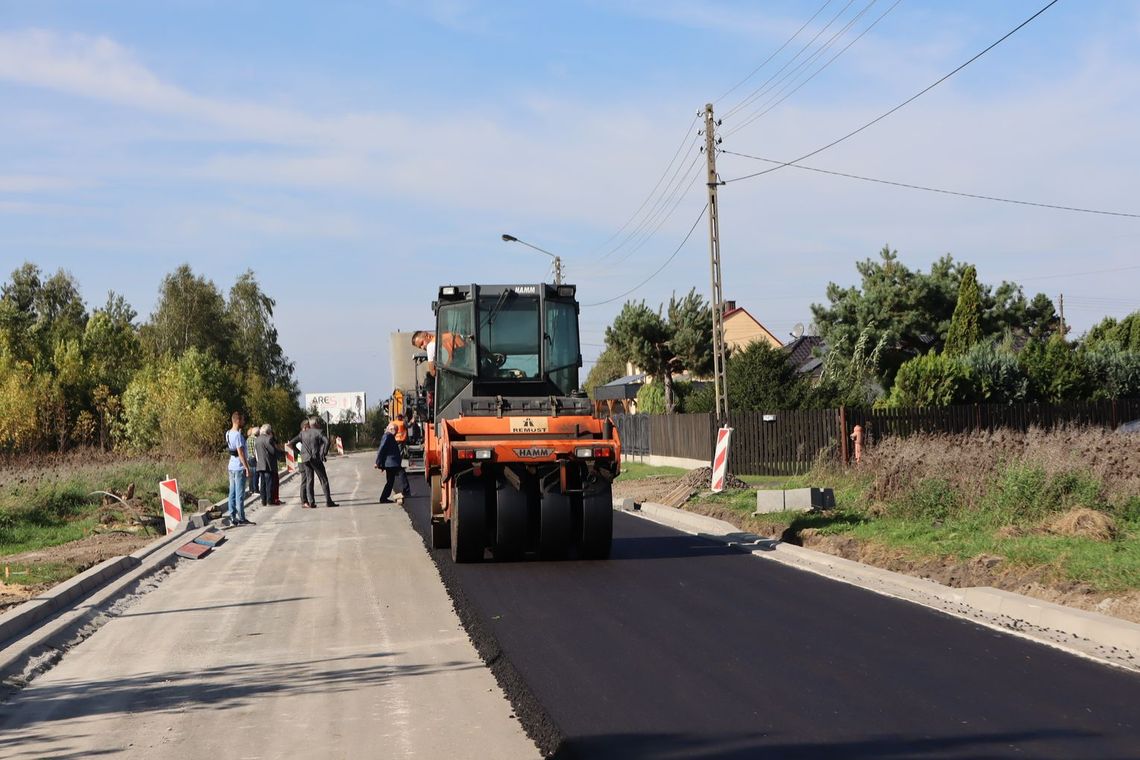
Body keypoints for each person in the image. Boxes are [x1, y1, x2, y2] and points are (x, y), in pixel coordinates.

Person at [300, 416, 338, 507]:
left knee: (309, 480)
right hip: (315, 459)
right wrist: (324, 453)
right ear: (316, 424)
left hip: (305, 459)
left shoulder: (303, 433)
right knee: (323, 479)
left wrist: (299, 454)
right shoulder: (318, 432)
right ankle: (328, 501)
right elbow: (327, 441)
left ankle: (311, 502)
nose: (320, 424)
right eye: (319, 423)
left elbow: (291, 443)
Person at [225, 411, 254, 526]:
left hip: (231, 465)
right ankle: (241, 517)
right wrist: (246, 467)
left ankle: (232, 516)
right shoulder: (237, 435)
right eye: (242, 420)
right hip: (238, 466)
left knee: (231, 492)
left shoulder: (228, 433)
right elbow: (240, 453)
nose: (243, 421)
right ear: (237, 421)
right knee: (239, 494)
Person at [374, 422, 410, 503]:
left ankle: (383, 498)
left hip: (391, 463)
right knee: (401, 473)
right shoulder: (387, 436)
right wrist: (378, 462)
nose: (396, 432)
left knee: (390, 481)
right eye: (396, 430)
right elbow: (382, 449)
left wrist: (381, 465)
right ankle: (406, 491)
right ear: (391, 429)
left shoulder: (389, 436)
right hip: (391, 463)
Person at [287, 419, 312, 508]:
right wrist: (299, 452)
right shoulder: (300, 436)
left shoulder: (306, 435)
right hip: (301, 459)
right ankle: (304, 501)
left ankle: (308, 500)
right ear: (304, 427)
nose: (310, 428)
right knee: (304, 480)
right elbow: (290, 444)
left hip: (307, 459)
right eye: (309, 426)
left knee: (308, 479)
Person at [255, 423, 278, 506]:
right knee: (269, 483)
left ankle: (263, 501)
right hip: (268, 464)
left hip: (260, 464)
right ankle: (269, 500)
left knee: (263, 483)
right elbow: (272, 451)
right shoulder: (268, 439)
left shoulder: (257, 439)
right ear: (268, 431)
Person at [246, 425, 260, 496]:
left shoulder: (248, 439)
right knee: (256, 474)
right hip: (254, 458)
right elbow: (256, 450)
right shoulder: (256, 440)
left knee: (251, 474)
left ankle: (251, 489)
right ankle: (255, 490)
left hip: (249, 458)